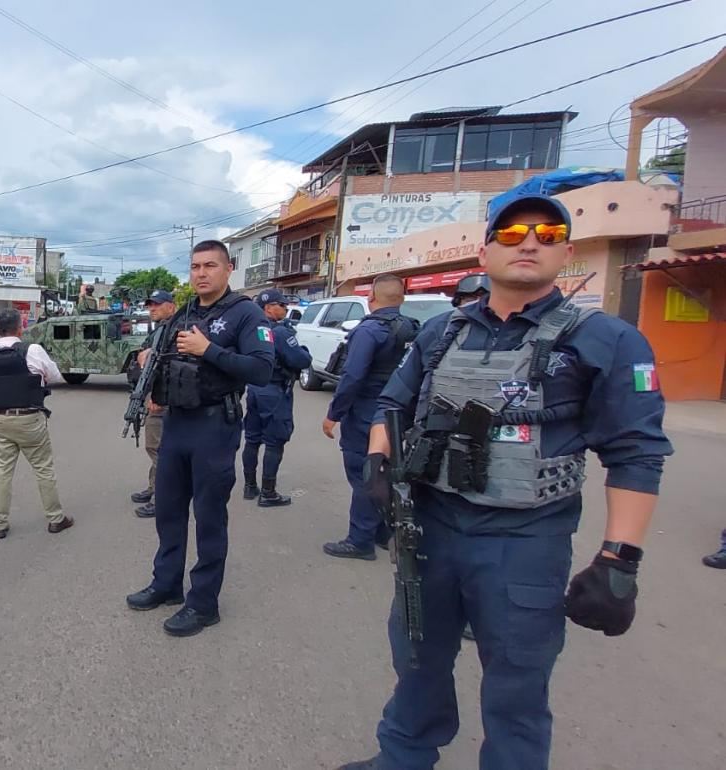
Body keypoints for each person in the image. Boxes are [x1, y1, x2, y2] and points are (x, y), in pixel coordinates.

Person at [337, 194, 673, 770]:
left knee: (517, 683)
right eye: (513, 232)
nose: (530, 241)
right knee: (417, 655)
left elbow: (636, 451)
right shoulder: (441, 331)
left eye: (548, 232)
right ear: (487, 248)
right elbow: (392, 403)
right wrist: (377, 462)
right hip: (432, 527)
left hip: (525, 541)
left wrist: (620, 559)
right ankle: (404, 756)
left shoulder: (607, 340)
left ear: (565, 251)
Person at [124, 240, 275, 637]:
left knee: (209, 518)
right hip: (177, 422)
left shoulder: (247, 314)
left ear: (228, 269)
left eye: (210, 265)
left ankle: (204, 603)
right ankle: (167, 584)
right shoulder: (184, 312)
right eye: (195, 266)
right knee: (169, 511)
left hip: (215, 426)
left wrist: (209, 350)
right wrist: (146, 358)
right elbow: (162, 353)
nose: (201, 273)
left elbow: (261, 370)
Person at [321, 274, 418, 560]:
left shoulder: (369, 331)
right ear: (401, 299)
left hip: (366, 411)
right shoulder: (412, 329)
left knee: (363, 472)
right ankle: (380, 531)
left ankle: (360, 539)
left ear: (370, 298)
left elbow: (352, 376)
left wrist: (333, 414)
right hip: (398, 412)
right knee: (384, 469)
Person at [0, 308, 72, 539]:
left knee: (3, 472)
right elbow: (56, 375)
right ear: (21, 328)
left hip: (0, 418)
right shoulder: (33, 350)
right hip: (30, 418)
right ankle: (55, 518)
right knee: (43, 469)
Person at [242, 289, 312, 507]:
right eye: (282, 304)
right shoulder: (280, 333)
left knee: (252, 438)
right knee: (275, 441)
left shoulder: (251, 330)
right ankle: (268, 493)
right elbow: (300, 360)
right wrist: (305, 351)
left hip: (254, 388)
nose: (285, 308)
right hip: (274, 391)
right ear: (268, 307)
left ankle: (250, 486)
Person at [129, 289, 178, 518]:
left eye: (157, 305)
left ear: (171, 305)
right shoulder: (159, 330)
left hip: (163, 400)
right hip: (153, 396)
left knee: (159, 450)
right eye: (150, 305)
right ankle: (153, 488)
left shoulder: (176, 329)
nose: (152, 309)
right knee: (156, 448)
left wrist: (157, 397)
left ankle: (162, 498)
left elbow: (171, 367)